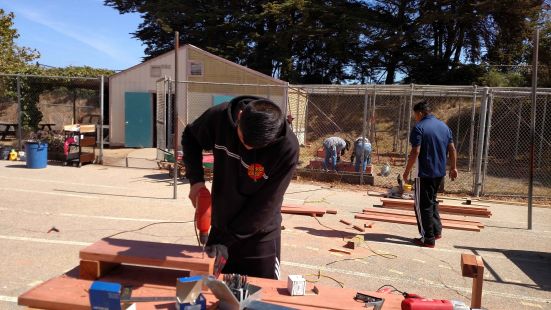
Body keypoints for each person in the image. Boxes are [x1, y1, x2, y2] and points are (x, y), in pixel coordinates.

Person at [181, 96, 299, 279]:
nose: (249, 150)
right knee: (212, 293)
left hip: (260, 235)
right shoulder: (219, 117)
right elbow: (190, 137)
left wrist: (225, 241)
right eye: (244, 142)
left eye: (256, 147)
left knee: (263, 296)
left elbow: (265, 205)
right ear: (240, 116)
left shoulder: (287, 148)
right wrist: (196, 181)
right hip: (222, 224)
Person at [403, 101, 457, 248]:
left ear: (420, 113)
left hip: (424, 173)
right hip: (439, 173)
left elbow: (415, 152)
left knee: (422, 206)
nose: (415, 118)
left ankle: (427, 238)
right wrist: (453, 167)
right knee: (431, 202)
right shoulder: (444, 126)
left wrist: (406, 172)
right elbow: (452, 149)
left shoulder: (419, 127)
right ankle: (436, 231)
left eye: (415, 115)